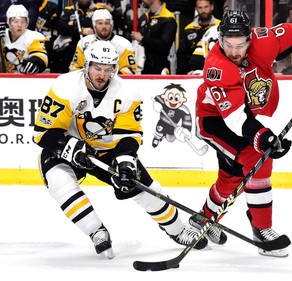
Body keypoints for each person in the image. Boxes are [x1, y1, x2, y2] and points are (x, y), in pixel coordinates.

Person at [33, 40, 208, 259]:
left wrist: (125, 163)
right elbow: (43, 132)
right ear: (86, 66)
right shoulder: (65, 86)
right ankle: (96, 231)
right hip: (68, 146)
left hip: (108, 151)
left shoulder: (127, 92)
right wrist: (71, 148)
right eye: (97, 67)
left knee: (146, 189)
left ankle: (178, 230)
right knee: (58, 180)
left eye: (109, 69)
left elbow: (129, 135)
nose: (102, 75)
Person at [189, 10, 292, 257]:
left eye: (240, 44)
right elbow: (235, 118)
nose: (234, 51)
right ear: (220, 40)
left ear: (250, 39)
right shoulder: (216, 67)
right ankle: (262, 229)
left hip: (244, 118)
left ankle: (203, 220)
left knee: (232, 176)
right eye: (228, 44)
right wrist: (265, 138)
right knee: (257, 158)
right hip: (215, 121)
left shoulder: (263, 39)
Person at [69, 9, 137, 74]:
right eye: (100, 23)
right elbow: (74, 68)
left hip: (116, 84)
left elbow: (130, 70)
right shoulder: (84, 43)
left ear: (111, 25)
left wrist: (109, 78)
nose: (104, 26)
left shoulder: (124, 44)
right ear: (94, 26)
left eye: (107, 23)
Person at [130, 0, 177, 74]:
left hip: (159, 70)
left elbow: (164, 46)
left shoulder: (168, 18)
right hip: (142, 68)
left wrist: (142, 39)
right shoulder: (144, 17)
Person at [1, 4, 48, 74]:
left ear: (27, 22)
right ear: (9, 22)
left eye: (23, 21)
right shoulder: (2, 35)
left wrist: (35, 62)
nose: (19, 25)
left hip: (26, 80)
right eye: (16, 21)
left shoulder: (33, 36)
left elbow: (40, 54)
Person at [176, 0, 220, 74]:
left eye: (206, 7)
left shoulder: (219, 26)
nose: (203, 10)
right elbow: (182, 54)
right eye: (200, 7)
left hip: (214, 71)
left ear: (212, 7)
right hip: (191, 73)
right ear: (196, 9)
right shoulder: (188, 28)